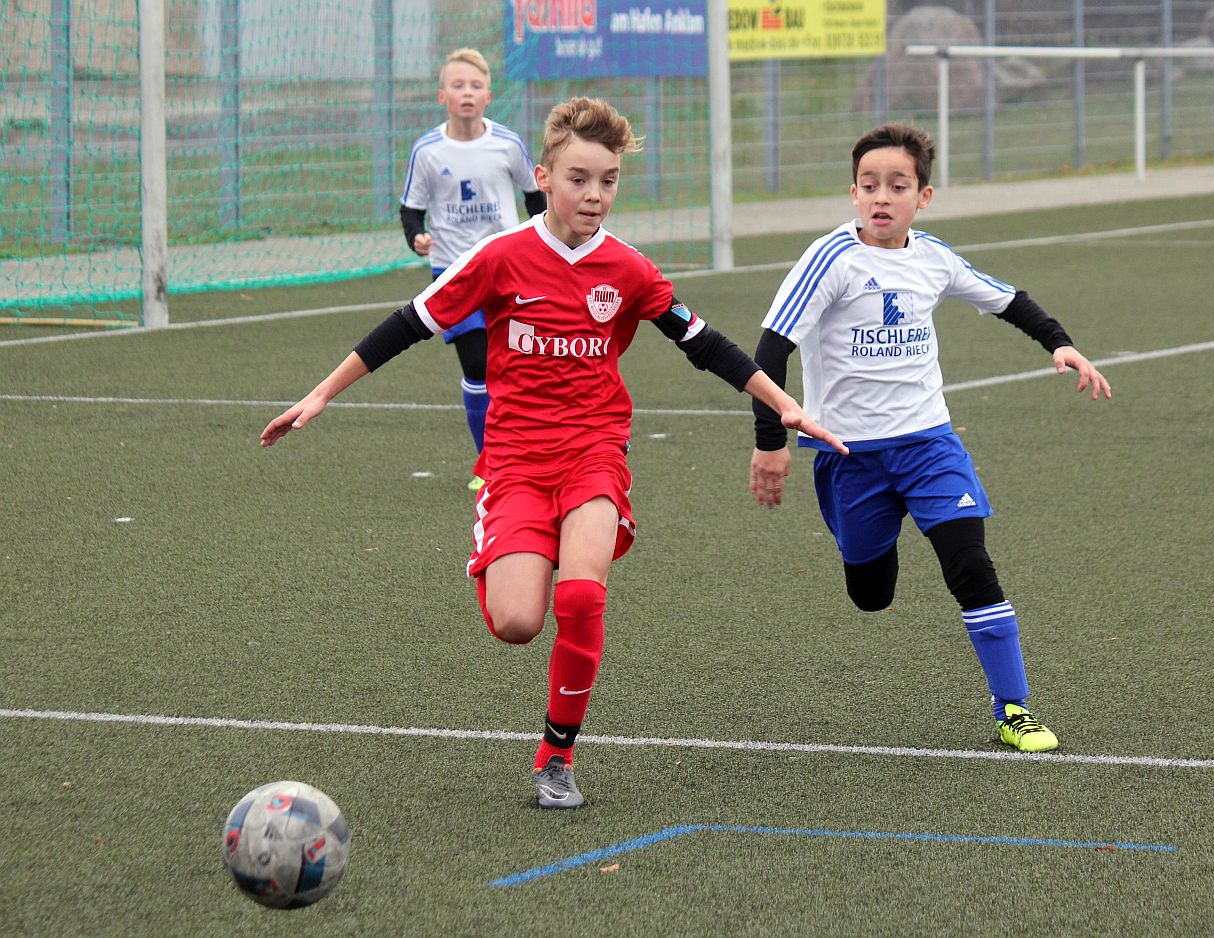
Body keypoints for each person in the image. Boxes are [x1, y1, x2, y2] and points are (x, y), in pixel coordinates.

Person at [263, 96, 846, 809]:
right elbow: (409, 324)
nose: (594, 194)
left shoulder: (629, 270)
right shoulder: (500, 258)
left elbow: (705, 345)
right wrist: (321, 395)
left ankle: (557, 758)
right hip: (513, 461)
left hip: (596, 453)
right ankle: (500, 543)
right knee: (516, 623)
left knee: (580, 591)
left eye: (608, 180)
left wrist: (781, 403)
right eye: (578, 178)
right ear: (543, 177)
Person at [747, 123, 1110, 754]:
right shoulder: (830, 260)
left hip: (930, 445)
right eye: (868, 186)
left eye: (897, 185)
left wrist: (1063, 345)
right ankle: (870, 557)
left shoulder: (933, 258)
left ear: (924, 196)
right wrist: (771, 440)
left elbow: (1006, 299)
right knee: (870, 592)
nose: (881, 197)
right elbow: (770, 349)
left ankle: (1014, 708)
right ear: (853, 193)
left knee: (971, 565)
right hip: (849, 456)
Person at [400, 48, 548, 491]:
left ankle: (531, 450)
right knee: (479, 365)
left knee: (520, 363)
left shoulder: (507, 143)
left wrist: (545, 238)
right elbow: (411, 209)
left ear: (489, 95)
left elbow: (535, 196)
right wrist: (417, 237)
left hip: (510, 268)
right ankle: (491, 467)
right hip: (453, 271)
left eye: (476, 86)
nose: (467, 92)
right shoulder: (427, 150)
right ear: (441, 95)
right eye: (458, 86)